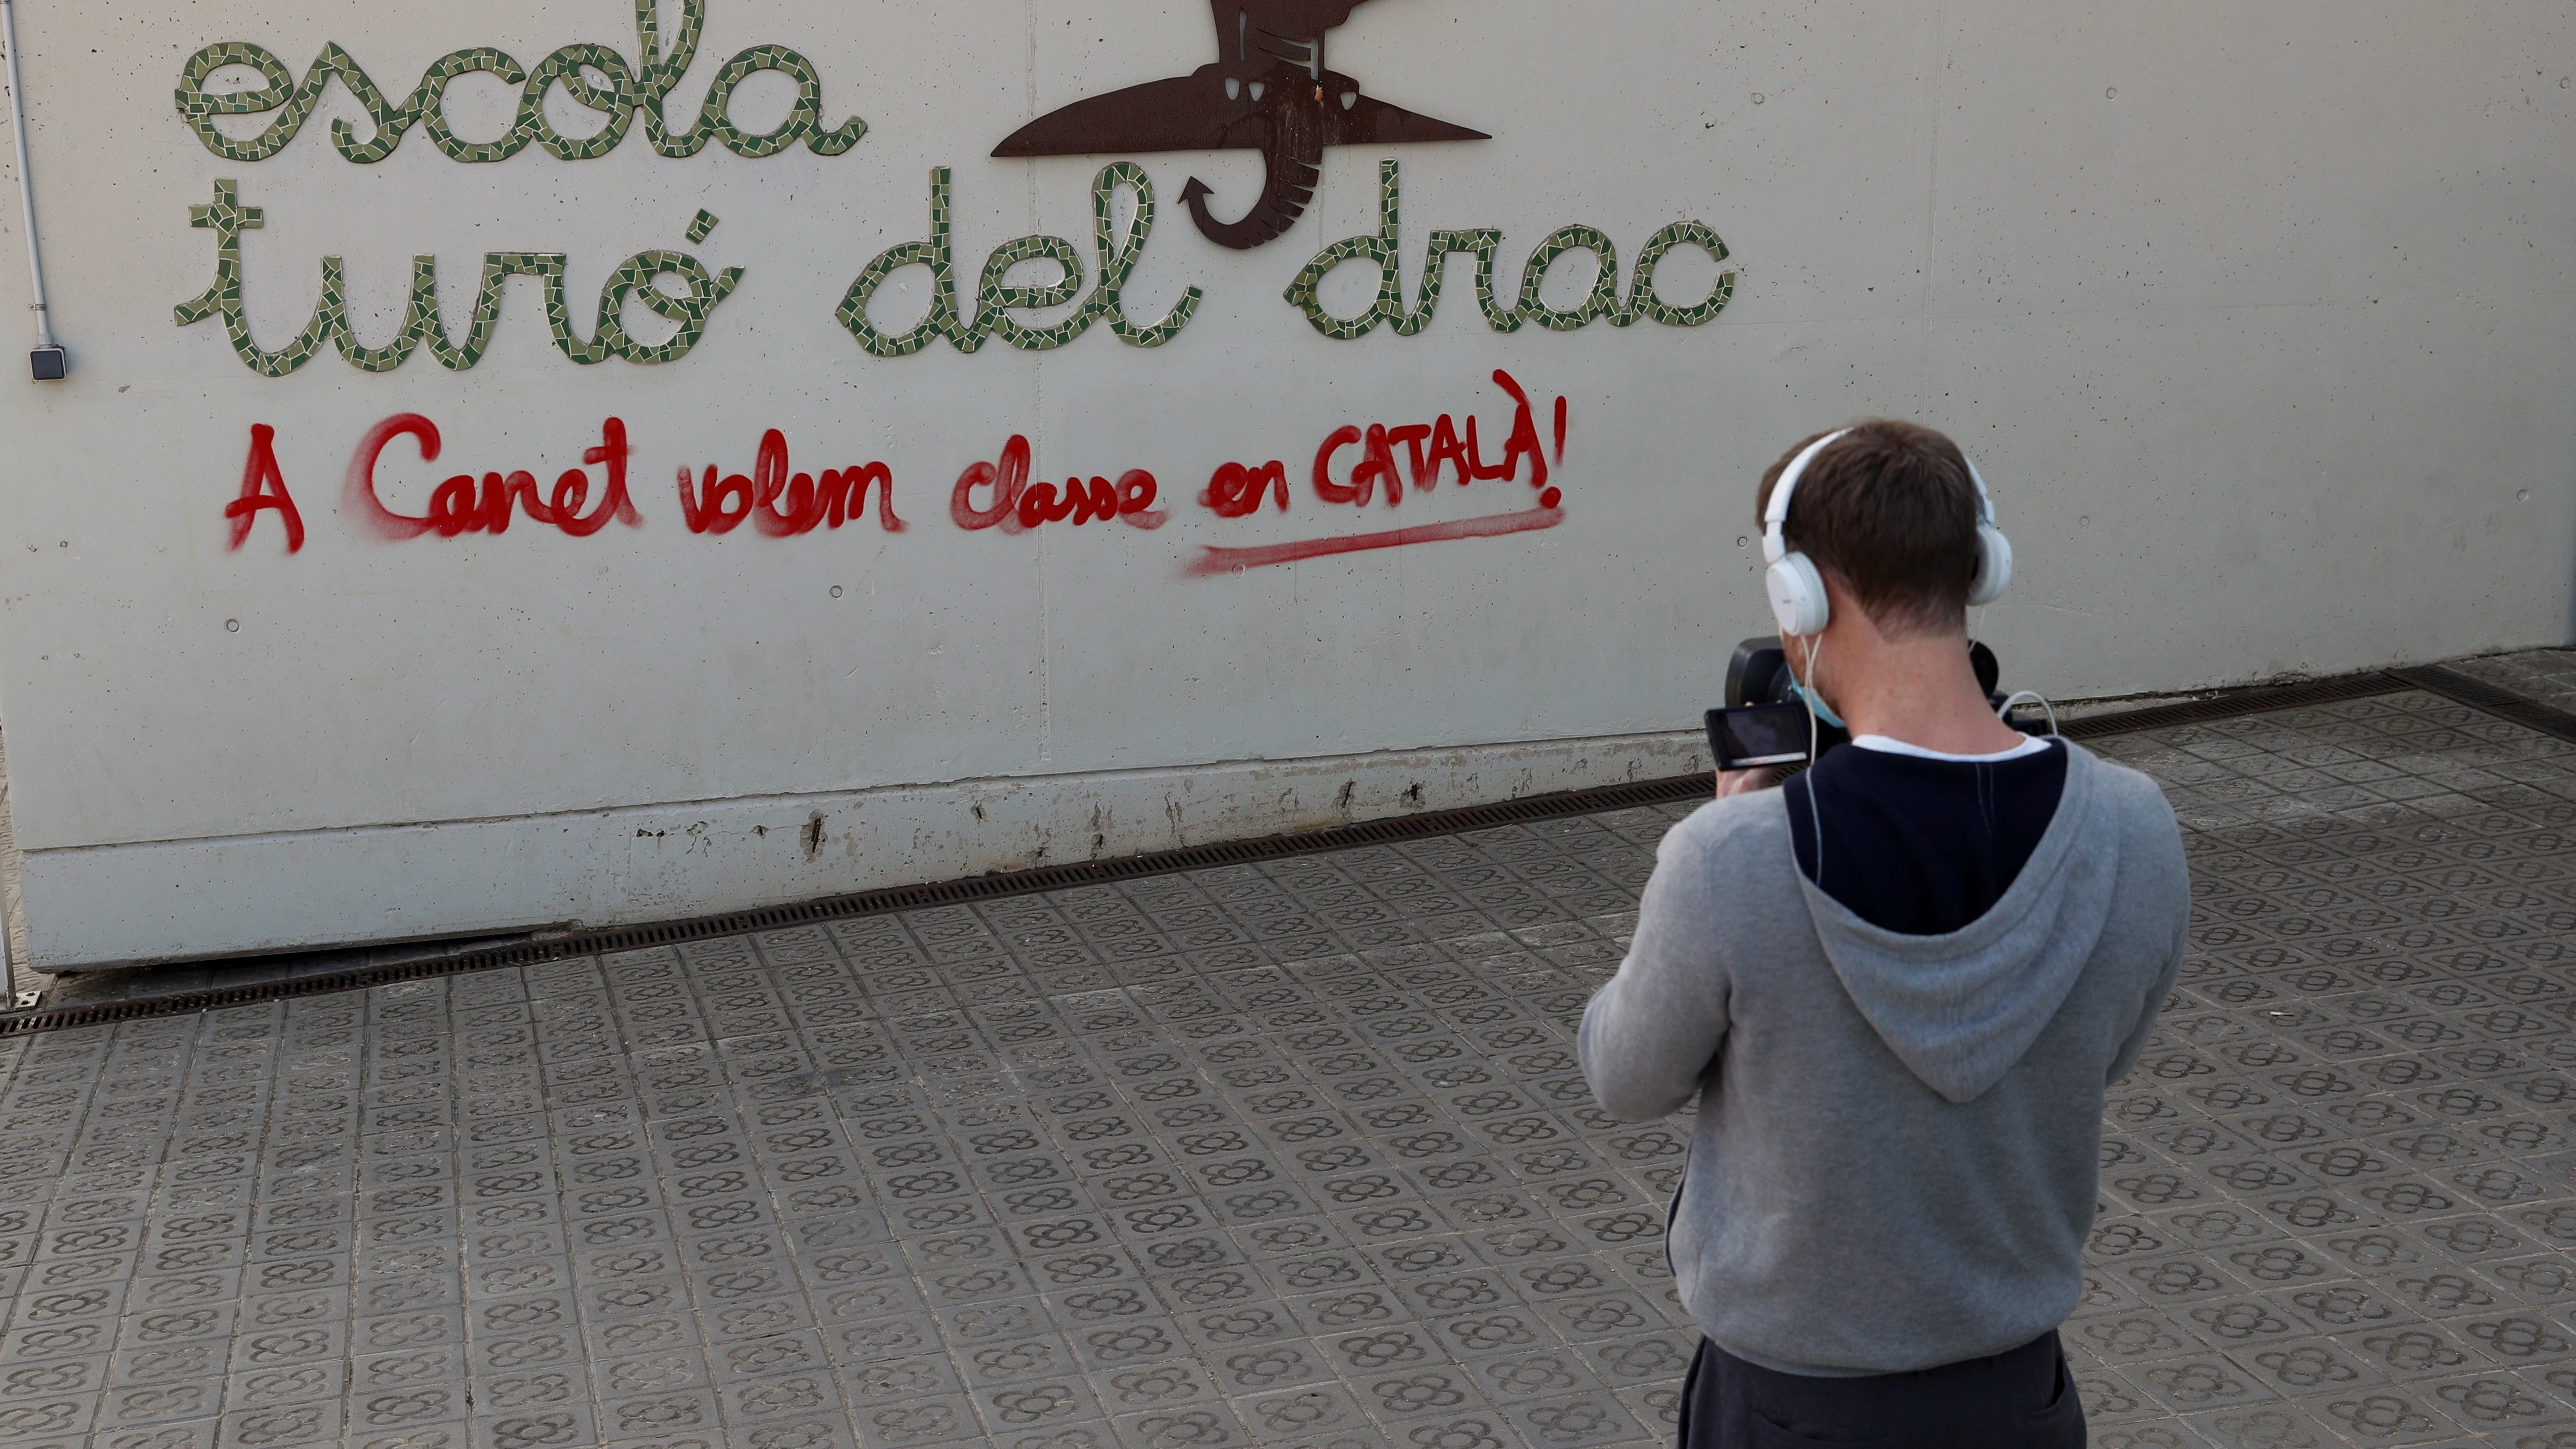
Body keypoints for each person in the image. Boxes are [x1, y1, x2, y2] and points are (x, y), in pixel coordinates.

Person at [1578, 420, 2188, 1447]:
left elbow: (1623, 1076)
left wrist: (1723, 832)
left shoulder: (1733, 858)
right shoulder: (2132, 826)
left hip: (1789, 1405)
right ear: (1977, 569)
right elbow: (2102, 1052)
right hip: (2016, 1399)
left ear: (1799, 596)